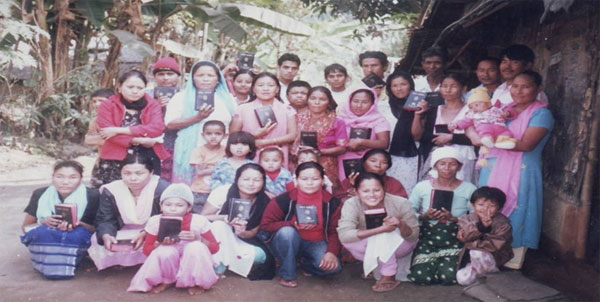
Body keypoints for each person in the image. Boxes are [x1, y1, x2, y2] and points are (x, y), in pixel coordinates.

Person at [478, 71, 554, 270]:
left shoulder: (541, 113)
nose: (519, 91)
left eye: (526, 86)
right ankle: (486, 253)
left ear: (538, 89)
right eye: (515, 86)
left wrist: (490, 139)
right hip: (494, 167)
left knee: (520, 208)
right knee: (488, 206)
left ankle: (513, 257)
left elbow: (527, 144)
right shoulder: (503, 109)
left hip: (523, 169)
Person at [260, 162, 343, 288]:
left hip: (317, 242)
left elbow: (334, 231)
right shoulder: (284, 199)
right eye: (304, 179)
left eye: (315, 179)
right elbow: (265, 225)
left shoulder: (332, 202)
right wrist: (291, 224)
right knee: (287, 232)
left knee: (333, 269)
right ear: (296, 180)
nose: (309, 183)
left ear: (322, 180)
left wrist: (331, 252)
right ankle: (287, 274)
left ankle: (305, 264)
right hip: (288, 241)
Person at [127, 184, 219, 295]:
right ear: (161, 206)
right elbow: (147, 250)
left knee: (195, 247)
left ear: (188, 208)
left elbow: (214, 248)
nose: (173, 208)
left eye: (179, 205)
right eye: (168, 204)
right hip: (169, 258)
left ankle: (197, 282)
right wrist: (158, 245)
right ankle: (167, 280)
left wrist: (199, 239)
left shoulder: (199, 221)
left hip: (191, 257)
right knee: (165, 251)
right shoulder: (155, 221)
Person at [337, 173, 419, 292]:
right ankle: (376, 265)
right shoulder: (351, 203)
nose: (372, 195)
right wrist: (380, 230)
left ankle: (388, 275)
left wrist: (400, 224)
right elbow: (344, 235)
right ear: (356, 191)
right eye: (365, 191)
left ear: (384, 189)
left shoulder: (401, 203)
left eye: (377, 190)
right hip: (366, 247)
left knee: (384, 235)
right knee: (380, 233)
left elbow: (413, 236)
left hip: (400, 246)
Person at [407, 147, 477, 285]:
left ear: (459, 166)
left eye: (452, 164)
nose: (447, 168)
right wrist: (424, 217)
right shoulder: (422, 187)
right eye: (442, 163)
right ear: (435, 166)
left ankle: (460, 262)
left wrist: (455, 219)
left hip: (455, 236)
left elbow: (475, 216)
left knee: (448, 277)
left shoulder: (469, 188)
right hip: (428, 236)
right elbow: (408, 211)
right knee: (421, 277)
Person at [88, 154, 170, 270]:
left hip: (153, 231)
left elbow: (169, 219)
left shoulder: (163, 189)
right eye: (127, 173)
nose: (133, 178)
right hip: (125, 230)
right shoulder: (112, 190)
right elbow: (105, 218)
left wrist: (148, 233)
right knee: (97, 239)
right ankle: (121, 263)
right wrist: (106, 234)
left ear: (151, 173)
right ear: (120, 173)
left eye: (139, 173)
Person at [20, 160, 100, 279]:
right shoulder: (40, 194)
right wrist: (43, 222)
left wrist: (80, 224)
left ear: (81, 179)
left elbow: (98, 230)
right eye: (60, 177)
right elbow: (26, 228)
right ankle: (51, 263)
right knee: (44, 232)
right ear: (53, 178)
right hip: (48, 237)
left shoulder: (93, 195)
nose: (65, 182)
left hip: (78, 239)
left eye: (73, 177)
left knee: (74, 235)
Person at [164, 60, 236, 185]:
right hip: (190, 151)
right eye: (200, 75)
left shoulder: (228, 99)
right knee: (188, 188)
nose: (205, 79)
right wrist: (198, 117)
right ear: (193, 78)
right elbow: (170, 124)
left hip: (221, 152)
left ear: (218, 79)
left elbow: (235, 122)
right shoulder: (180, 97)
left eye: (210, 75)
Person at [200, 163, 276, 280]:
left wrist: (241, 232)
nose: (251, 184)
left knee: (260, 256)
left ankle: (227, 260)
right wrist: (224, 218)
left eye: (256, 180)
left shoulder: (265, 200)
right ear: (237, 179)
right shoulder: (223, 192)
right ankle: (219, 267)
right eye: (246, 179)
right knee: (219, 225)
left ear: (263, 182)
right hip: (217, 237)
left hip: (240, 240)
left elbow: (252, 233)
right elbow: (203, 217)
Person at [96, 70, 169, 185]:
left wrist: (119, 130)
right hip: (115, 157)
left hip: (147, 156)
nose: (135, 91)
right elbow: (106, 132)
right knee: (114, 195)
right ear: (120, 87)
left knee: (148, 195)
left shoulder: (153, 104)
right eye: (130, 87)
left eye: (140, 88)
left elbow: (157, 128)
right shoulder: (108, 105)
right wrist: (136, 140)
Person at [413, 73, 477, 183]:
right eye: (444, 86)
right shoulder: (434, 110)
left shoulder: (472, 111)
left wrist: (451, 138)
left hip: (463, 159)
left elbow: (478, 137)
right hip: (438, 160)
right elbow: (422, 136)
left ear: (464, 89)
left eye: (453, 86)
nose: (448, 90)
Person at [230, 72, 298, 166]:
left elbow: (292, 135)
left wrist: (266, 142)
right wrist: (253, 136)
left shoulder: (288, 110)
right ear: (253, 89)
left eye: (270, 85)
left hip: (278, 156)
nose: (265, 89)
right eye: (260, 85)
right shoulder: (242, 109)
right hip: (250, 154)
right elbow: (233, 135)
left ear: (277, 89)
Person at [292, 86, 347, 192]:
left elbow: (342, 148)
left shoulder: (337, 121)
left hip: (327, 165)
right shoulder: (297, 118)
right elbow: (291, 141)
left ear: (328, 102)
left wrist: (319, 152)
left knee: (326, 196)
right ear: (307, 100)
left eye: (322, 99)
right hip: (300, 162)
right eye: (313, 98)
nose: (317, 102)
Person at [456, 186, 513, 286]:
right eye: (481, 205)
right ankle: (483, 276)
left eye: (492, 206)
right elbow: (464, 235)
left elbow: (494, 245)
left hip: (495, 257)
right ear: (473, 206)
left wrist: (470, 244)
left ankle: (492, 276)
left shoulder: (503, 224)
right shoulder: (467, 219)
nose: (486, 209)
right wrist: (480, 227)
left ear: (499, 208)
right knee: (461, 278)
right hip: (473, 259)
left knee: (476, 253)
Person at [379, 71, 420, 194]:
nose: (399, 89)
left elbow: (417, 135)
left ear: (411, 85)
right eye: (394, 86)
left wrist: (418, 115)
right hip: (386, 153)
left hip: (410, 154)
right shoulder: (382, 106)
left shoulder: (418, 104)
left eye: (403, 84)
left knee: (406, 188)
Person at [337, 88, 390, 182]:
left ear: (372, 103)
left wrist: (361, 142)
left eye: (365, 102)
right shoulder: (340, 119)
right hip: (344, 160)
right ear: (349, 101)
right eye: (355, 101)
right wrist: (347, 145)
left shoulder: (379, 120)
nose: (359, 105)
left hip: (370, 163)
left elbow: (384, 143)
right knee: (346, 188)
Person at [150, 57, 182, 182]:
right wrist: (155, 105)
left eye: (170, 74)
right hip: (152, 145)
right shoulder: (146, 95)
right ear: (155, 77)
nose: (165, 78)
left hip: (177, 143)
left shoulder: (184, 95)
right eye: (161, 74)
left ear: (178, 76)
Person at [189, 120, 227, 213]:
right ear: (203, 135)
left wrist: (208, 169)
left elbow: (228, 168)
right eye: (209, 133)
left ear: (225, 135)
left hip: (219, 190)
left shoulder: (226, 151)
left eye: (218, 134)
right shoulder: (198, 151)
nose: (213, 137)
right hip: (200, 190)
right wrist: (220, 168)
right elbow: (200, 172)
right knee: (199, 216)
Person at [340, 149, 408, 199]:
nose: (378, 165)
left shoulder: (393, 183)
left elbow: (401, 204)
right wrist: (354, 186)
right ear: (363, 163)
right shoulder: (350, 181)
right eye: (373, 161)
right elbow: (340, 201)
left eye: (384, 162)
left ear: (388, 166)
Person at [85, 88, 115, 188]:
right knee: (96, 194)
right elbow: (88, 140)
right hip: (101, 162)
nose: (97, 104)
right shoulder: (95, 121)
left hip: (122, 163)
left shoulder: (122, 118)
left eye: (101, 101)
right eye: (94, 101)